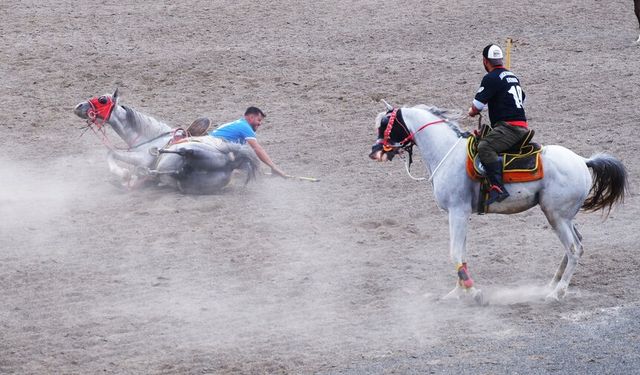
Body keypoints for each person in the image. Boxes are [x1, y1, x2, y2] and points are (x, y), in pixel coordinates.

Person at [468, 44, 530, 205]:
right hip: (520, 125)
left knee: (484, 147)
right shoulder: (512, 76)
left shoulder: (491, 78)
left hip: (509, 128)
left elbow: (476, 107)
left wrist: (472, 112)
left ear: (485, 61)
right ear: (500, 60)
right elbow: (522, 99)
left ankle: (497, 187)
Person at [209, 106, 287, 177]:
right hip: (214, 147)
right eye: (259, 120)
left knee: (244, 161)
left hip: (211, 145)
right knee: (248, 159)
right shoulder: (245, 126)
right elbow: (257, 149)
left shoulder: (238, 124)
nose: (260, 123)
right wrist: (273, 167)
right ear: (251, 117)